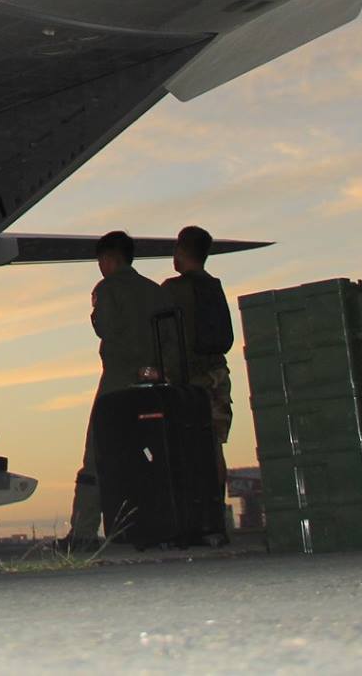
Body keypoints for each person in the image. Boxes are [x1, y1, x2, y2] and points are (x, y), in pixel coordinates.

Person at [63, 230, 172, 550]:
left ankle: (83, 532)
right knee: (151, 456)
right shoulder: (157, 292)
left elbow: (105, 328)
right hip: (155, 384)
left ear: (109, 259)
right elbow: (170, 340)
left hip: (117, 383)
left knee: (96, 457)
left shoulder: (107, 289)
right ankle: (157, 524)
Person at [163, 225, 235, 513]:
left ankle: (193, 513)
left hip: (189, 382)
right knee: (215, 447)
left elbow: (166, 336)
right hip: (217, 377)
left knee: (187, 450)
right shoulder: (213, 285)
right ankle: (216, 510)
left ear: (181, 250)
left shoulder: (174, 289)